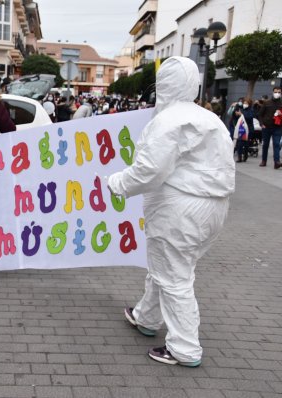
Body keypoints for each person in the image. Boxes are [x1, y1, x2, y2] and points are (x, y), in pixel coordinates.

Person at [107, 56, 235, 367]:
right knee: (169, 267)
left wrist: (118, 183)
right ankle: (146, 317)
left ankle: (184, 347)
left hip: (180, 206)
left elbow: (150, 170)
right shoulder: (210, 119)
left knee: (175, 276)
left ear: (163, 85)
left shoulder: (166, 121)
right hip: (214, 206)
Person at [258, 86, 282, 169]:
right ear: (273, 92)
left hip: (278, 127)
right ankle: (264, 161)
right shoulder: (267, 102)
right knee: (265, 145)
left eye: (279, 92)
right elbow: (260, 114)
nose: (277, 93)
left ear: (281, 93)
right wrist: (261, 124)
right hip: (266, 127)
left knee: (276, 144)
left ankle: (276, 162)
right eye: (275, 92)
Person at [235, 98, 255, 162]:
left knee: (246, 143)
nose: (244, 104)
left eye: (246, 103)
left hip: (248, 129)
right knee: (239, 143)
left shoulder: (251, 110)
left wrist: (242, 115)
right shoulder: (241, 109)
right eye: (244, 103)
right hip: (241, 128)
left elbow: (250, 117)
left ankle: (245, 155)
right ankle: (239, 157)